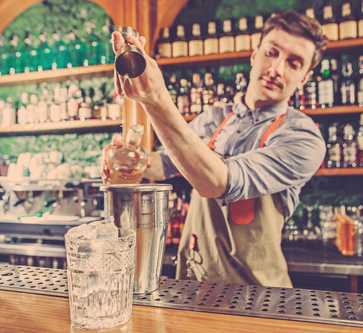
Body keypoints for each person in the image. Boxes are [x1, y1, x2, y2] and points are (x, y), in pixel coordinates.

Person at [102, 11, 328, 287]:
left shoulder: (303, 138)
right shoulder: (215, 118)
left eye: (294, 63)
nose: (277, 69)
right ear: (255, 55)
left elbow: (218, 182)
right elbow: (165, 165)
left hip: (257, 296)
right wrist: (133, 160)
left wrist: (155, 99)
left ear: (304, 77)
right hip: (192, 283)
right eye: (272, 53)